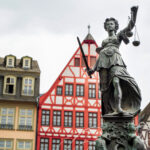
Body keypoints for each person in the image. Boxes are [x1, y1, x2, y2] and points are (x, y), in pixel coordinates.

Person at [88, 6, 141, 115]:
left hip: (115, 61)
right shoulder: (104, 41)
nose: (109, 25)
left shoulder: (119, 35)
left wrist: (134, 14)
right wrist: (92, 70)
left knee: (116, 81)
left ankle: (118, 108)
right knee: (105, 89)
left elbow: (130, 25)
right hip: (103, 63)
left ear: (115, 26)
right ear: (105, 27)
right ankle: (108, 110)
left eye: (111, 24)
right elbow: (100, 57)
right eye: (107, 24)